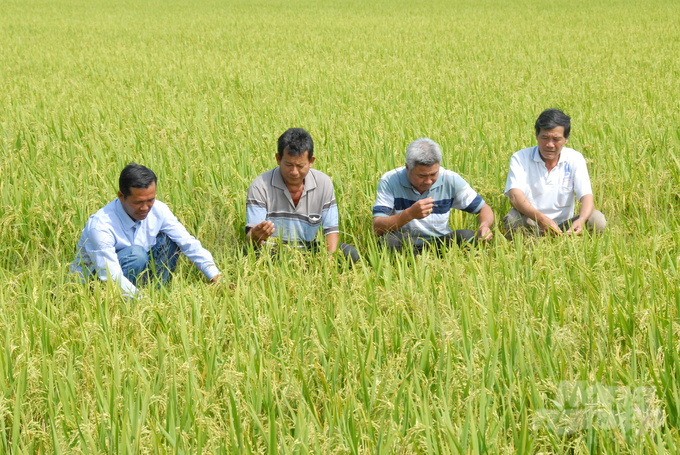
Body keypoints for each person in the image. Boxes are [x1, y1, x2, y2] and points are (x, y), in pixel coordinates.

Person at [70, 163, 221, 297]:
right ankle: (132, 301)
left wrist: (215, 275)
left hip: (134, 270)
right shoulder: (101, 225)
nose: (145, 208)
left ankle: (158, 294)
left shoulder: (159, 210)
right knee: (136, 255)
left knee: (170, 242)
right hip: (98, 280)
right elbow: (110, 275)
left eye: (150, 200)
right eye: (138, 202)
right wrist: (144, 303)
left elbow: (188, 243)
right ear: (121, 196)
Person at [245, 128, 359, 262]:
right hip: (273, 251)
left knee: (349, 254)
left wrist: (329, 262)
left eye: (300, 166)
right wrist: (256, 236)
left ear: (311, 161)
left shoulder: (323, 183)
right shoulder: (260, 185)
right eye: (288, 164)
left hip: (308, 250)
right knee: (248, 254)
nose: (294, 172)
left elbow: (330, 230)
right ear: (278, 158)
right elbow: (251, 237)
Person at [372, 137, 494, 254]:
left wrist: (484, 226)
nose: (429, 181)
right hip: (405, 243)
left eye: (433, 174)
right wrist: (409, 214)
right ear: (408, 168)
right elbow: (377, 227)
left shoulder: (450, 179)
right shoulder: (390, 180)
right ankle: (410, 267)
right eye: (422, 176)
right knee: (390, 241)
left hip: (439, 243)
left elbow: (484, 208)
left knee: (467, 237)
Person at [503, 108, 606, 236]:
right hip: (533, 223)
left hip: (564, 226)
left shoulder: (575, 158)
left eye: (556, 139)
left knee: (597, 219)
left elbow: (587, 197)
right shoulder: (520, 158)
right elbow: (515, 197)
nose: (550, 145)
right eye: (544, 138)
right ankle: (525, 251)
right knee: (513, 219)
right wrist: (542, 220)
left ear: (566, 139)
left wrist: (581, 219)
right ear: (536, 135)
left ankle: (580, 249)